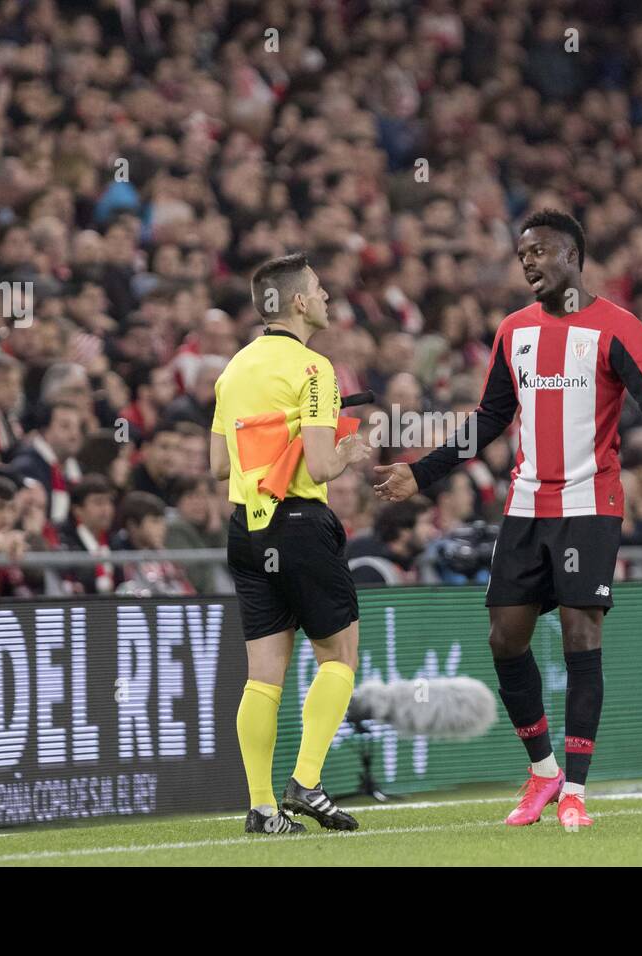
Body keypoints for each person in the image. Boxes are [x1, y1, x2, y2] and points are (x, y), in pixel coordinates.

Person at [374, 210, 642, 828]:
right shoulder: (514, 331)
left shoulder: (615, 327)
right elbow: (488, 420)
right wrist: (422, 472)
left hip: (588, 504)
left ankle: (576, 788)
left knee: (580, 636)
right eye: (522, 255)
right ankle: (543, 773)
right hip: (525, 505)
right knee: (505, 637)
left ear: (572, 256)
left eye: (539, 252)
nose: (528, 263)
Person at [212, 252, 371, 835]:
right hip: (300, 525)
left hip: (246, 529)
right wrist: (351, 451)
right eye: (321, 290)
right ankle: (305, 782)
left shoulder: (232, 370)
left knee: (262, 677)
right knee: (340, 656)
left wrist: (276, 443)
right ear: (298, 302)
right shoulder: (314, 369)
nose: (328, 298)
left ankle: (260, 808)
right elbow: (325, 464)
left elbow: (215, 461)